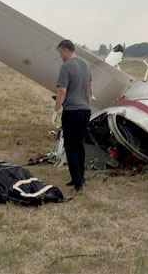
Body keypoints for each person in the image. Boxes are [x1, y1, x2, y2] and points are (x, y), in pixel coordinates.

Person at [53, 39, 93, 192]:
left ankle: (77, 183)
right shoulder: (85, 64)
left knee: (70, 147)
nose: (60, 56)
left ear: (65, 50)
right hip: (86, 110)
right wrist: (86, 98)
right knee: (80, 145)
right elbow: (90, 86)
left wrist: (56, 111)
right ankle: (80, 176)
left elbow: (62, 91)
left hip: (72, 111)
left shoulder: (66, 66)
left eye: (60, 53)